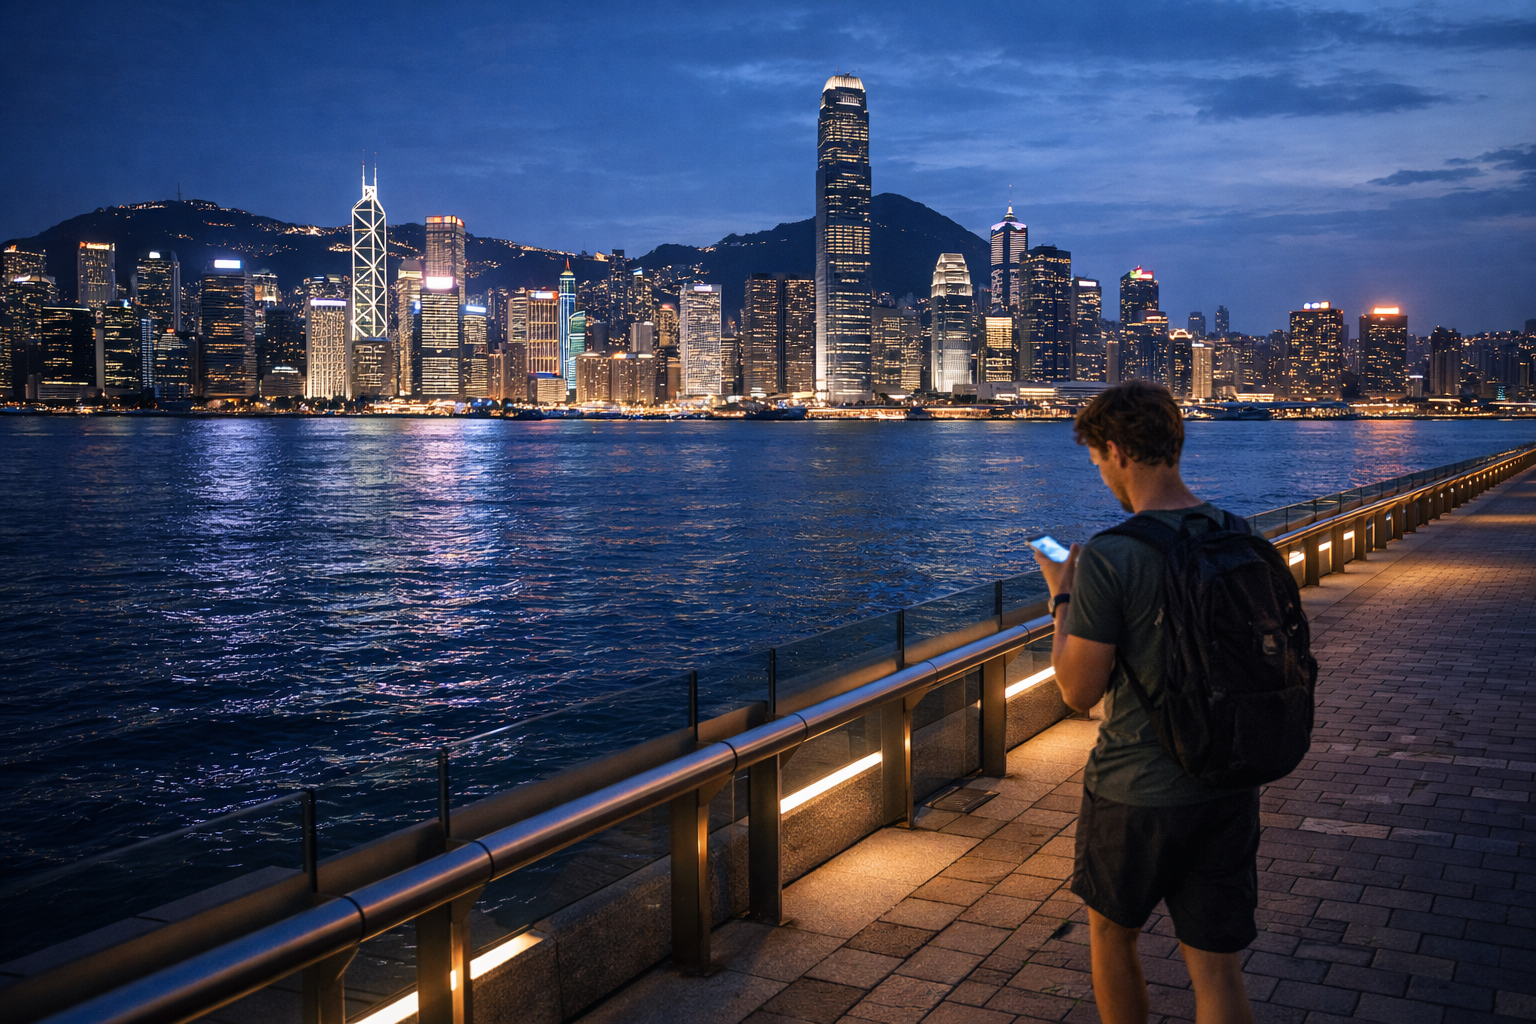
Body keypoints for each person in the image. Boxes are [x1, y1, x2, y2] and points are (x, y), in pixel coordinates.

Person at [1032, 380, 1258, 1024]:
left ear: (1117, 452)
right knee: (1215, 964)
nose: (1102, 474)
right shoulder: (1236, 534)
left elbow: (1078, 691)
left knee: (1112, 936)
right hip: (1228, 779)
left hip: (1137, 785)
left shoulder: (1112, 554)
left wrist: (1063, 596)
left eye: (1098, 460)